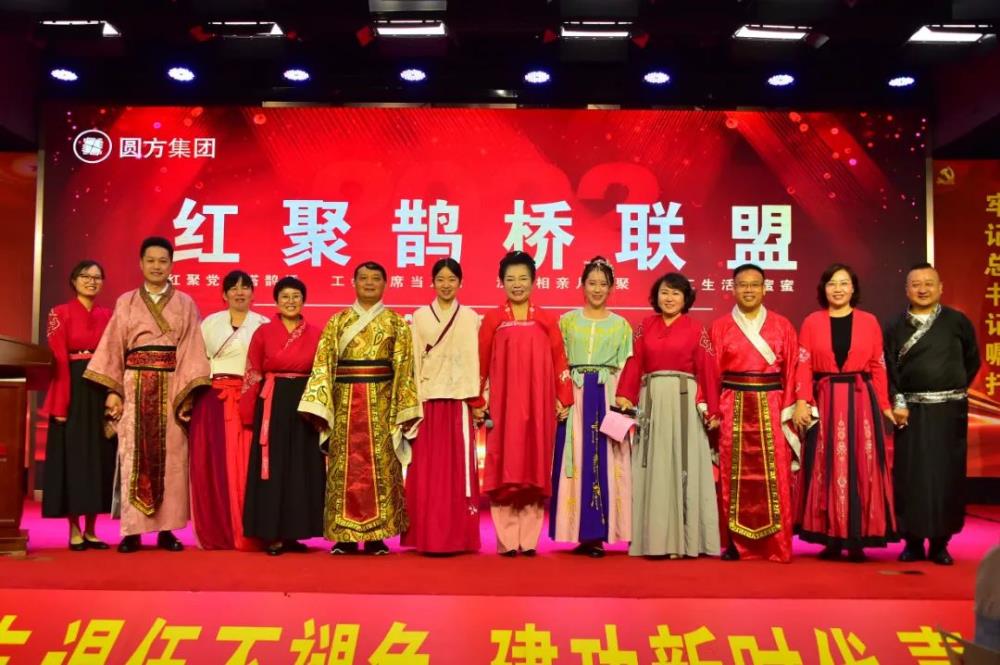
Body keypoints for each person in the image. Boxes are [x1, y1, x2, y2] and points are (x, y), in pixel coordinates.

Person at [84, 237, 211, 553]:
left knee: (173, 458)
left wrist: (186, 395)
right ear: (141, 263)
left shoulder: (185, 303)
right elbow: (114, 346)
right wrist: (113, 391)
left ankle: (167, 530)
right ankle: (132, 531)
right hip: (134, 385)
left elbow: (192, 349)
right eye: (151, 260)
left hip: (171, 387)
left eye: (163, 261)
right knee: (133, 456)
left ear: (171, 265)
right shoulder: (126, 301)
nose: (157, 266)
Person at [299, 262, 420, 556]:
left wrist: (403, 410)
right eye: (363, 278)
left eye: (375, 278)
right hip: (344, 403)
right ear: (353, 282)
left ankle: (378, 536)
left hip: (382, 403)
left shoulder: (396, 323)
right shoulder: (338, 321)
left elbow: (405, 370)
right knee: (345, 468)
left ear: (385, 284)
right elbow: (324, 364)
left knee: (382, 467)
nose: (369, 283)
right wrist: (320, 405)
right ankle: (345, 537)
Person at [793, 263, 897, 562]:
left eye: (843, 283)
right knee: (825, 465)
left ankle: (858, 538)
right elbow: (804, 365)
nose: (837, 289)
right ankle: (831, 537)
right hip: (825, 399)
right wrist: (802, 400)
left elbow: (878, 365)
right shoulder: (812, 321)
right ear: (823, 289)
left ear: (853, 288)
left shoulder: (869, 321)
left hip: (860, 400)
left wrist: (885, 405)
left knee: (862, 465)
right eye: (832, 284)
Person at [472, 251, 573, 556]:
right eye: (510, 279)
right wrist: (478, 399)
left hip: (538, 405)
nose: (517, 284)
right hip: (502, 406)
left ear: (534, 281)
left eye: (523, 278)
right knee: (504, 466)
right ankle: (506, 540)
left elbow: (560, 361)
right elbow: (480, 363)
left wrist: (563, 397)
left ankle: (529, 541)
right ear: (501, 282)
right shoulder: (493, 319)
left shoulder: (546, 319)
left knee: (533, 467)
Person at [616, 272, 721, 558]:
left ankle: (687, 541)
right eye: (665, 292)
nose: (670, 298)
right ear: (656, 296)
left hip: (684, 399)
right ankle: (653, 540)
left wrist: (713, 408)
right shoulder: (645, 326)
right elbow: (635, 361)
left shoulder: (696, 329)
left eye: (676, 293)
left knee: (684, 463)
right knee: (654, 465)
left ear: (686, 298)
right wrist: (625, 394)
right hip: (651, 399)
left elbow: (708, 369)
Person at [884, 263, 981, 566]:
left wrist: (952, 388)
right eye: (916, 284)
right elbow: (889, 369)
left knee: (946, 476)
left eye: (929, 283)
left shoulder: (957, 322)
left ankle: (941, 543)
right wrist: (898, 402)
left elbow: (972, 360)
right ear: (906, 290)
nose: (923, 289)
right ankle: (912, 542)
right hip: (910, 412)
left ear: (940, 288)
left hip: (949, 412)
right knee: (910, 476)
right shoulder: (895, 326)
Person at [710, 263, 799, 563]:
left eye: (754, 284)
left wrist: (791, 407)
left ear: (764, 288)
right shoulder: (720, 326)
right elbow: (711, 373)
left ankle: (776, 544)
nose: (748, 290)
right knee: (733, 474)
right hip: (732, 403)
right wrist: (711, 408)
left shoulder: (783, 326)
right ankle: (734, 544)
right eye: (742, 284)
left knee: (774, 474)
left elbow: (793, 371)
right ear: (733, 289)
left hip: (771, 403)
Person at [549, 256, 633, 558]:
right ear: (582, 285)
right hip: (575, 395)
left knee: (609, 460)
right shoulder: (567, 321)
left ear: (611, 287)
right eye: (592, 283)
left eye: (603, 284)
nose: (597, 289)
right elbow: (557, 362)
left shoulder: (621, 325)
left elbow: (626, 366)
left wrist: (623, 400)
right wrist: (559, 397)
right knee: (575, 458)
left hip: (606, 394)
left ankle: (604, 532)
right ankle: (576, 530)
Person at [402, 258, 481, 555]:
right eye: (440, 279)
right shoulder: (420, 316)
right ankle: (428, 535)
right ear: (432, 282)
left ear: (460, 283)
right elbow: (413, 361)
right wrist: (413, 402)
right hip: (429, 401)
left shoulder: (471, 317)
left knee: (457, 472)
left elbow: (477, 361)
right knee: (428, 471)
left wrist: (478, 400)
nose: (446, 285)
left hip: (459, 402)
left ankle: (458, 537)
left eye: (452, 279)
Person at [240, 277, 325, 556]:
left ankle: (294, 533)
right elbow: (253, 372)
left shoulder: (316, 333)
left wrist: (322, 410)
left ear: (304, 300)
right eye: (285, 296)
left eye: (296, 296)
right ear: (276, 301)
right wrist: (248, 411)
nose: (291, 301)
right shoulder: (264, 332)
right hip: (273, 402)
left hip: (305, 403)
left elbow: (322, 373)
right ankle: (272, 533)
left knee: (301, 466)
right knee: (273, 466)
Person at [188, 270, 269, 550]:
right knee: (213, 464)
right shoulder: (210, 323)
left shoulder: (263, 324)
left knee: (247, 465)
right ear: (224, 294)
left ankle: (250, 530)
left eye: (245, 287)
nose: (239, 292)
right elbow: (195, 361)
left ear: (253, 293)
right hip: (213, 399)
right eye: (233, 288)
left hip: (249, 398)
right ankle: (218, 530)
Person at [41, 260, 116, 550]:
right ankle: (74, 528)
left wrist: (114, 392)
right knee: (73, 459)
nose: (91, 281)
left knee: (99, 458)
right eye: (85, 276)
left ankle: (92, 529)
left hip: (100, 387)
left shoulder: (108, 315)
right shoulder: (59, 312)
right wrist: (60, 404)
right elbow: (59, 359)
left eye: (97, 277)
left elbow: (114, 355)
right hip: (71, 384)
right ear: (73, 280)